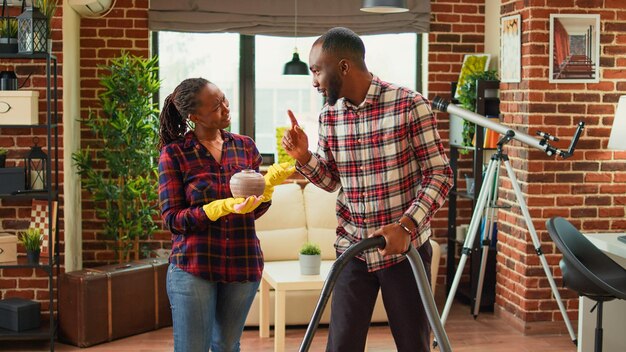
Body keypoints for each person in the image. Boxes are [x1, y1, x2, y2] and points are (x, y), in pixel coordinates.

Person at [282, 27, 453, 352]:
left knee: (413, 346)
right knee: (341, 345)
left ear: (343, 67)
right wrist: (304, 156)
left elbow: (440, 174)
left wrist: (406, 226)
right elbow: (331, 180)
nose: (314, 81)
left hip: (405, 252)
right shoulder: (329, 117)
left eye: (317, 70)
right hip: (353, 251)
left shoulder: (408, 105)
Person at [158, 77, 294, 352]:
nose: (225, 107)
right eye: (216, 105)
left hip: (243, 262)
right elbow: (173, 219)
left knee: (227, 346)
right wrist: (218, 208)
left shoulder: (245, 146)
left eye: (223, 98)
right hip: (194, 267)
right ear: (195, 116)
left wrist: (266, 190)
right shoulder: (175, 154)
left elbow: (251, 212)